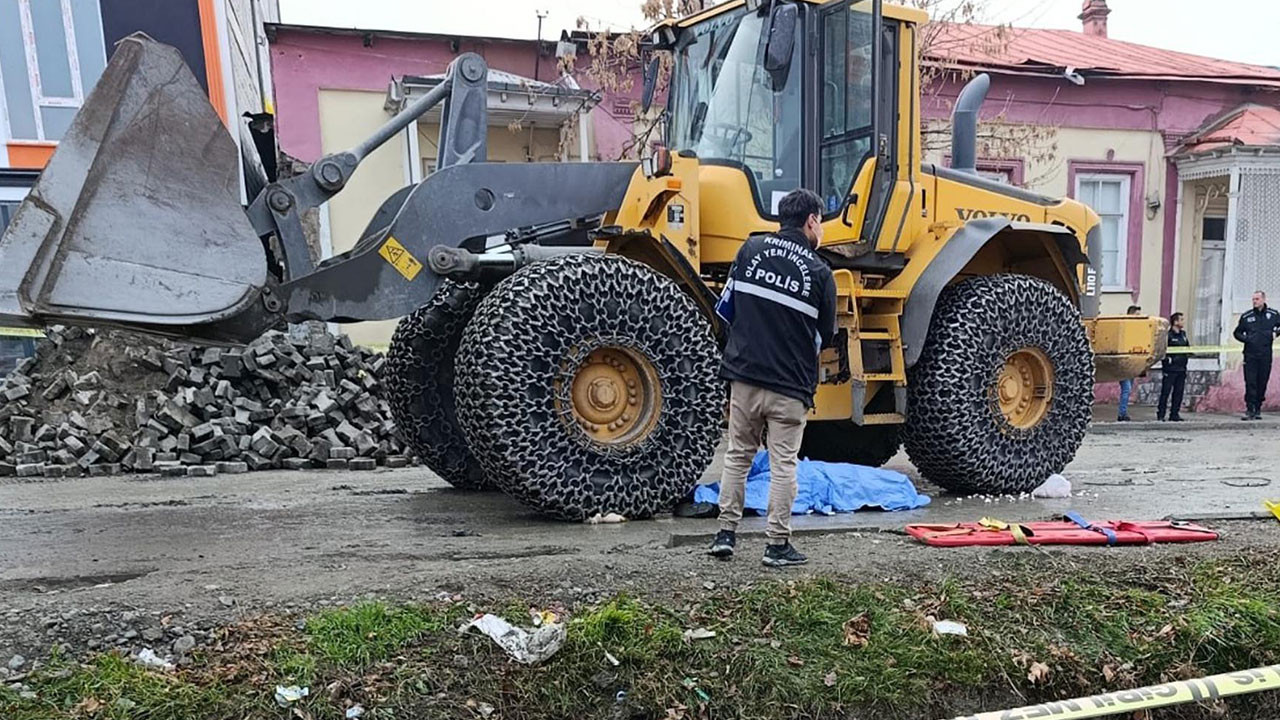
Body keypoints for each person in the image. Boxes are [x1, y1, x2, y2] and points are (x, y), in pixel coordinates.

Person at [708, 188, 837, 567]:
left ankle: (725, 535)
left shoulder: (749, 251)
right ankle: (777, 545)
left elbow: (726, 311)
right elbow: (825, 336)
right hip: (789, 387)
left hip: (744, 377)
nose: (821, 230)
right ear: (811, 221)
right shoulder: (820, 272)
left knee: (737, 456)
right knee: (783, 465)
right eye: (821, 222)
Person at [1233, 291, 1280, 420]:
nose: (1254, 301)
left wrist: (1275, 333)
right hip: (1250, 355)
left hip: (1265, 354)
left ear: (1263, 299)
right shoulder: (1247, 316)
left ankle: (1258, 407)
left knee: (1262, 381)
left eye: (1257, 299)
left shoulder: (1273, 314)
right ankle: (1250, 408)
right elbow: (1237, 333)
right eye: (1253, 299)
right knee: (1250, 382)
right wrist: (1247, 339)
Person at [1157, 312, 1189, 421]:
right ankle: (1161, 414)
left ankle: (1174, 414)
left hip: (1181, 368)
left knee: (1178, 392)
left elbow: (1187, 348)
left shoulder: (1183, 335)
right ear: (1175, 322)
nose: (1183, 322)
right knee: (1166, 392)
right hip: (1170, 369)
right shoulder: (1168, 335)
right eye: (1181, 320)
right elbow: (1162, 350)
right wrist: (1168, 361)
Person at [1116, 305, 1142, 421]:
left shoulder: (1137, 330)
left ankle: (1123, 412)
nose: (1139, 318)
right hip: (1124, 364)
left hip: (1133, 363)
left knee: (1128, 388)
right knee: (1126, 388)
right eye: (1137, 315)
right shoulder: (1125, 328)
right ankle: (1122, 414)